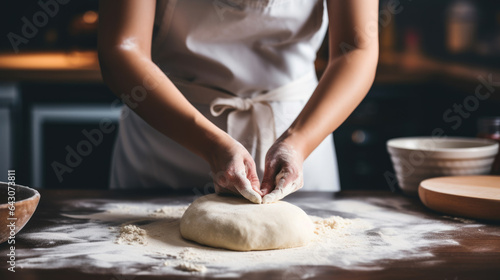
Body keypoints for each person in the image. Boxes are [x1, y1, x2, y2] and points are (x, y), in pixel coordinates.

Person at [98, 0, 379, 204]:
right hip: (166, 147)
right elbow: (122, 49)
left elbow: (356, 49)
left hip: (301, 132)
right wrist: (209, 144)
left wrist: (299, 142)